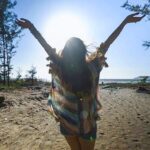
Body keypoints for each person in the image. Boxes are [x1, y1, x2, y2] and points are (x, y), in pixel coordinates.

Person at [16, 13, 144, 150]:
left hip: (67, 123)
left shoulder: (60, 66)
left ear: (65, 52)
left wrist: (31, 27)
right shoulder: (93, 67)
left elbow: (45, 46)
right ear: (83, 51)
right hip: (87, 125)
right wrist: (125, 22)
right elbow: (107, 44)